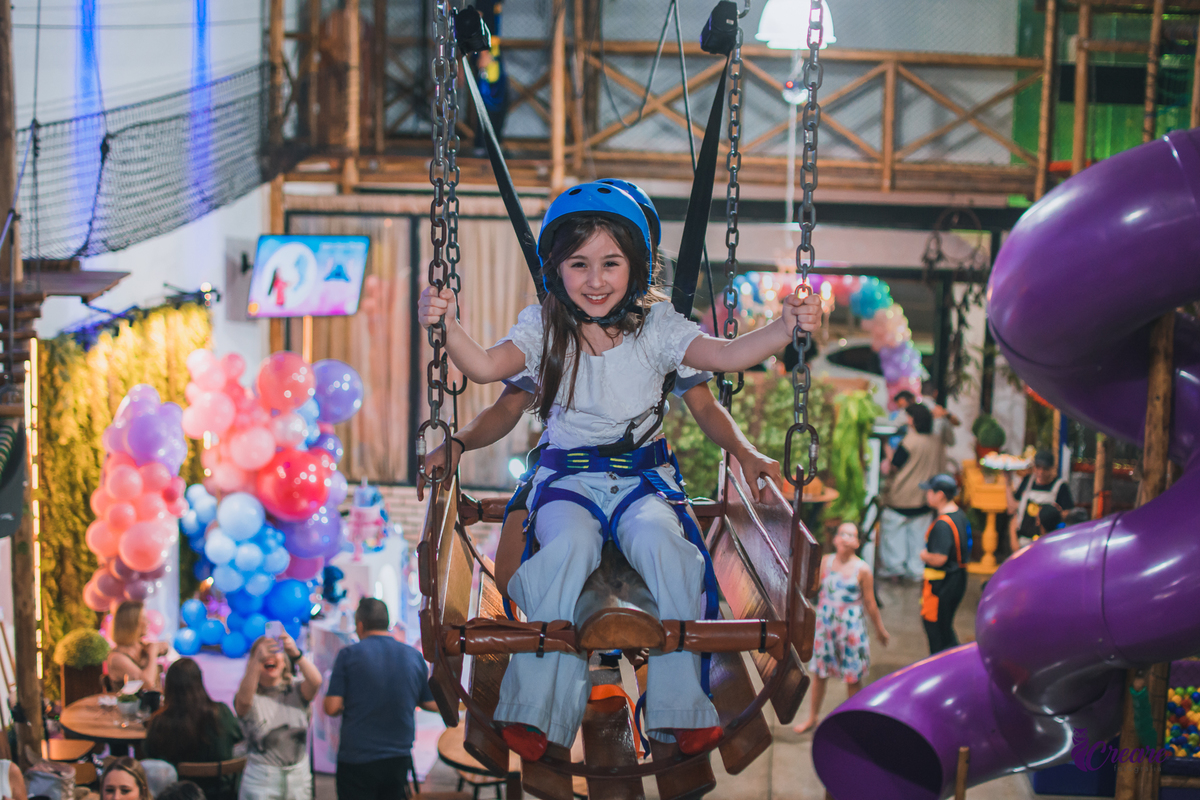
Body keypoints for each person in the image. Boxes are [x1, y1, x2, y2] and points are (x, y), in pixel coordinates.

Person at [417, 181, 822, 761]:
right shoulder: (544, 330)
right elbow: (485, 372)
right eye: (579, 264)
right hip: (568, 482)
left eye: (612, 262)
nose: (597, 279)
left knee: (667, 548)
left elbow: (725, 357)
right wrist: (449, 329)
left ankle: (680, 709)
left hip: (642, 481)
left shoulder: (658, 330)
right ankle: (536, 710)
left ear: (637, 266)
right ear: (556, 270)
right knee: (565, 550)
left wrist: (785, 329)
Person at [324, 598, 438, 800]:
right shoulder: (413, 656)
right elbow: (430, 703)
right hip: (398, 756)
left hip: (358, 756)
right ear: (387, 623)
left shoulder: (348, 655)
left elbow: (332, 707)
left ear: (360, 625)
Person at [792, 523, 889, 735]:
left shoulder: (862, 569)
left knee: (852, 678)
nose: (845, 538)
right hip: (826, 626)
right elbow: (813, 588)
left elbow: (870, 603)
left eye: (851, 535)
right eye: (842, 534)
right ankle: (812, 717)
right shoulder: (826, 562)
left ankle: (854, 723)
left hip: (850, 629)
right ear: (835, 539)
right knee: (819, 674)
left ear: (857, 542)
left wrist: (880, 630)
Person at [234, 634, 322, 800]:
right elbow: (243, 701)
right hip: (261, 779)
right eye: (263, 652)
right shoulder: (249, 696)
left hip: (298, 777)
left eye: (276, 650)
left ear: (284, 661)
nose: (270, 655)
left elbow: (316, 681)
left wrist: (295, 653)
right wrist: (257, 659)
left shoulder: (296, 689)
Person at [145, 658, 244, 799]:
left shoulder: (159, 722)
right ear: (200, 681)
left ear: (168, 686)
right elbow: (238, 737)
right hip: (221, 793)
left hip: (176, 795)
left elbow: (150, 757)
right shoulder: (221, 713)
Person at [879, 403, 943, 581]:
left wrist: (886, 448)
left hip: (901, 497)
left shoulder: (909, 441)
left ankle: (895, 568)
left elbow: (894, 465)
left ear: (913, 420)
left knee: (893, 534)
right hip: (925, 498)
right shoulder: (936, 440)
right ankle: (916, 570)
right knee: (919, 537)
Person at [919, 474, 970, 654]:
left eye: (930, 492)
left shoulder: (942, 524)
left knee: (937, 628)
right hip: (958, 578)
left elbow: (940, 558)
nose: (927, 495)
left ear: (940, 495)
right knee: (945, 626)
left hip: (943, 584)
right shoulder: (959, 515)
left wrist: (924, 555)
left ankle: (942, 667)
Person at [1006, 448, 1073, 555]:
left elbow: (1068, 514)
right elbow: (1012, 509)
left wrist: (1054, 513)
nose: (1041, 472)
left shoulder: (1060, 487)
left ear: (1052, 468)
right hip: (1023, 543)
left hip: (1046, 545)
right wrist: (1007, 482)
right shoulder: (1027, 481)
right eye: (1038, 467)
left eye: (1045, 469)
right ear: (1033, 467)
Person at [106, 601, 167, 691]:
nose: (148, 622)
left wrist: (162, 647)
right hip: (129, 705)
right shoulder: (116, 658)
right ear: (131, 623)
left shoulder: (143, 646)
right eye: (143, 618)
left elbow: (165, 647)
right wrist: (153, 652)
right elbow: (147, 683)